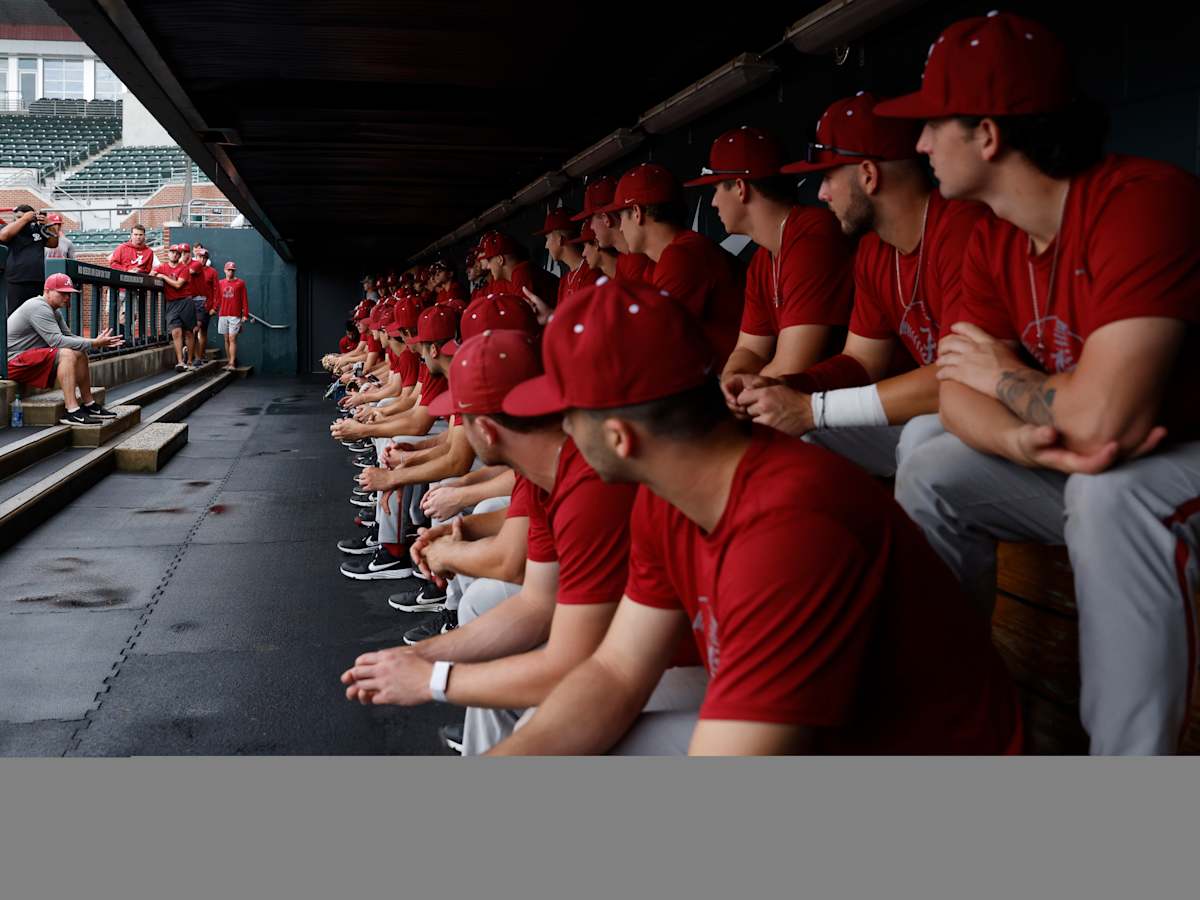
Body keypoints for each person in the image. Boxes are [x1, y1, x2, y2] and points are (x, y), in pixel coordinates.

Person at [485, 278, 1020, 756]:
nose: (566, 434)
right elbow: (615, 670)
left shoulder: (791, 526)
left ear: (620, 438)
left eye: (567, 417)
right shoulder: (667, 489)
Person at [878, 11, 1200, 754]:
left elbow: (1106, 422)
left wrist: (1010, 380)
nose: (919, 144)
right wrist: (1024, 439)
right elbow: (956, 395)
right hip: (1085, 449)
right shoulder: (995, 232)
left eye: (932, 124)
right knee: (930, 458)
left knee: (1112, 490)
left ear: (988, 135)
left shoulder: (1143, 201)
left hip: (1172, 457)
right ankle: (951, 729)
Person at [341, 328, 708, 756]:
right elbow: (535, 604)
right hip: (660, 649)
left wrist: (433, 678)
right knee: (501, 680)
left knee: (543, 713)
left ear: (488, 431)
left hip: (703, 668)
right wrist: (423, 658)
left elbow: (574, 653)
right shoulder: (551, 468)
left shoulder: (591, 481)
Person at [728, 96, 990, 477]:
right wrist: (782, 387)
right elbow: (861, 361)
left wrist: (810, 408)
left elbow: (957, 378)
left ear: (868, 174)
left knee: (920, 437)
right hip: (933, 415)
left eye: (828, 177)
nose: (821, 194)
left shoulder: (962, 227)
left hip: (988, 413)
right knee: (797, 433)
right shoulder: (873, 250)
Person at [682, 126, 853, 388]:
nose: (713, 202)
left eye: (716, 189)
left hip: (851, 401)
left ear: (740, 188)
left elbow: (794, 366)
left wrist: (737, 397)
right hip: (805, 403)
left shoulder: (812, 235)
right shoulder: (763, 258)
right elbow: (750, 350)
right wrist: (732, 381)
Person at [601, 162, 745, 366]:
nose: (621, 228)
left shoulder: (683, 255)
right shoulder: (657, 261)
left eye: (621, 217)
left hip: (735, 382)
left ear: (637, 213)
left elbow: (652, 344)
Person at [6, 273, 122, 425]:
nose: (67, 298)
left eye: (68, 294)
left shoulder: (54, 310)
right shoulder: (37, 306)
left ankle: (89, 404)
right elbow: (56, 341)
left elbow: (69, 336)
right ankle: (72, 411)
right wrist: (94, 343)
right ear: (47, 291)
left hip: (28, 358)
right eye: (62, 293)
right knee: (66, 353)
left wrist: (94, 341)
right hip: (11, 362)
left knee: (78, 351)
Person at [574, 175, 655, 285]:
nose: (591, 226)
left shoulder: (640, 258)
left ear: (606, 219)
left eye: (591, 219)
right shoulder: (623, 259)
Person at [1, 205, 58, 314]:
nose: (19, 219)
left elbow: (53, 243)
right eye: (17, 217)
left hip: (37, 280)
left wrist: (49, 225)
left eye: (22, 217)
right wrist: (25, 218)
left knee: (36, 313)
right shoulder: (10, 229)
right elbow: (3, 236)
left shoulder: (37, 229)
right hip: (16, 280)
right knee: (14, 314)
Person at [152, 244, 196, 372]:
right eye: (172, 252)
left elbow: (178, 285)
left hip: (185, 301)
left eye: (177, 253)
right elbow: (151, 273)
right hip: (171, 303)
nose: (175, 254)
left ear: (180, 255)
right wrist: (154, 273)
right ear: (168, 254)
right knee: (176, 332)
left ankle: (190, 361)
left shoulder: (184, 268)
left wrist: (163, 277)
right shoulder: (163, 267)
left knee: (188, 332)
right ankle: (180, 362)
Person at [217, 261, 249, 371]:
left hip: (235, 315)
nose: (231, 272)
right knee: (226, 339)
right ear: (225, 270)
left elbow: (244, 298)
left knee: (232, 338)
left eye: (232, 270)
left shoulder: (240, 283)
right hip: (223, 314)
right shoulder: (220, 283)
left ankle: (232, 363)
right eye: (229, 270)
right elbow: (217, 298)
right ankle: (229, 360)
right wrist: (213, 308)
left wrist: (245, 314)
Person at [192, 245, 220, 364]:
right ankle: (195, 356)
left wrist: (215, 307)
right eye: (200, 257)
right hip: (191, 304)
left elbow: (217, 291)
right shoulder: (191, 269)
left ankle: (200, 355)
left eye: (204, 257)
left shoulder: (212, 272)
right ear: (196, 257)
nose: (202, 259)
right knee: (193, 330)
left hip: (206, 306)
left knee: (202, 330)